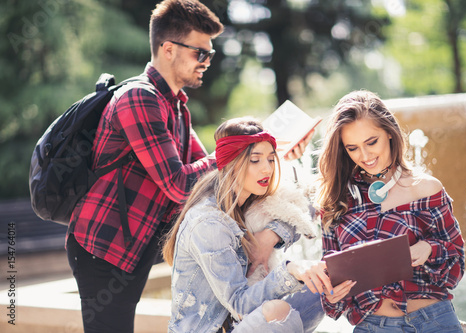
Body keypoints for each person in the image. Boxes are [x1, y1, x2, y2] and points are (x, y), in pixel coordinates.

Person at [65, 1, 224, 332]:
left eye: (210, 54)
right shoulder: (141, 98)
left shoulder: (176, 106)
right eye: (201, 53)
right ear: (168, 49)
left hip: (135, 244)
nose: (207, 63)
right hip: (103, 248)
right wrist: (233, 151)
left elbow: (208, 173)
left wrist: (263, 151)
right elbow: (180, 184)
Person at [163, 117, 357, 333]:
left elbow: (308, 208)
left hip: (241, 325)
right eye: (255, 160)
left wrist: (272, 234)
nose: (267, 169)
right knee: (278, 308)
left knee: (328, 281)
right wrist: (291, 270)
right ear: (232, 162)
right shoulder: (209, 223)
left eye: (271, 159)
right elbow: (240, 306)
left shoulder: (250, 197)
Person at [316, 90, 466, 332]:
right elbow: (330, 279)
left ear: (389, 133)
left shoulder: (426, 188)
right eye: (352, 148)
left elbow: (456, 262)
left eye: (371, 142)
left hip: (434, 319)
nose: (364, 156)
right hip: (374, 325)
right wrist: (332, 294)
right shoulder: (336, 201)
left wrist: (428, 248)